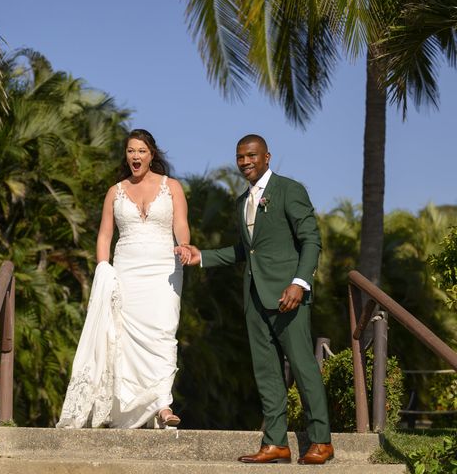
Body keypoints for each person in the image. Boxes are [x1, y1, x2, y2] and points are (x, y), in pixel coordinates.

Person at [176, 134, 334, 464]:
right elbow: (245, 251)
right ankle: (275, 443)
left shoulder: (290, 190)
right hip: (255, 299)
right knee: (267, 373)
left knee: (304, 367)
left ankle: (321, 440)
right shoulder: (241, 203)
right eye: (240, 157)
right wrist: (200, 256)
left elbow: (311, 240)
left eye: (251, 156)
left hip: (288, 296)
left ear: (266, 157)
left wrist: (299, 283)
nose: (245, 162)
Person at [57, 128, 190, 429]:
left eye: (141, 151)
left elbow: (180, 224)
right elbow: (105, 235)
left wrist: (183, 245)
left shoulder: (173, 188)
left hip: (163, 270)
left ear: (152, 154)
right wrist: (104, 269)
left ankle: (162, 402)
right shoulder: (114, 192)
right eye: (131, 151)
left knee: (162, 333)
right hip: (126, 270)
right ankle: (149, 406)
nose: (135, 156)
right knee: (125, 339)